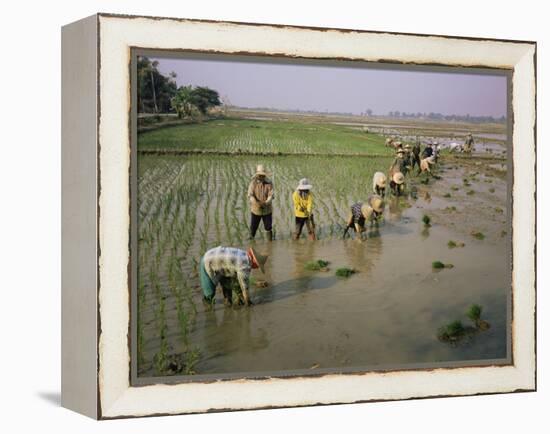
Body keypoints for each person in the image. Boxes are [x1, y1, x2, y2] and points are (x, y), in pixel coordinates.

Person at [200, 246, 268, 307]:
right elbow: (244, 286)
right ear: (255, 262)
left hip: (215, 258)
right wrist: (248, 301)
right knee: (210, 291)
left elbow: (236, 278)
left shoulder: (244, 254)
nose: (256, 268)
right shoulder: (245, 265)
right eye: (258, 266)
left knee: (228, 280)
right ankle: (207, 304)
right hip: (208, 261)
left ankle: (228, 300)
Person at [247, 164, 274, 240]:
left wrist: (266, 202)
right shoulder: (253, 183)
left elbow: (271, 195)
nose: (261, 177)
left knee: (268, 227)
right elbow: (250, 195)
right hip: (256, 210)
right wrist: (256, 203)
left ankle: (269, 243)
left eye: (263, 175)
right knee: (253, 227)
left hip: (267, 209)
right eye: (260, 175)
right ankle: (251, 240)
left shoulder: (269, 183)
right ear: (257, 175)